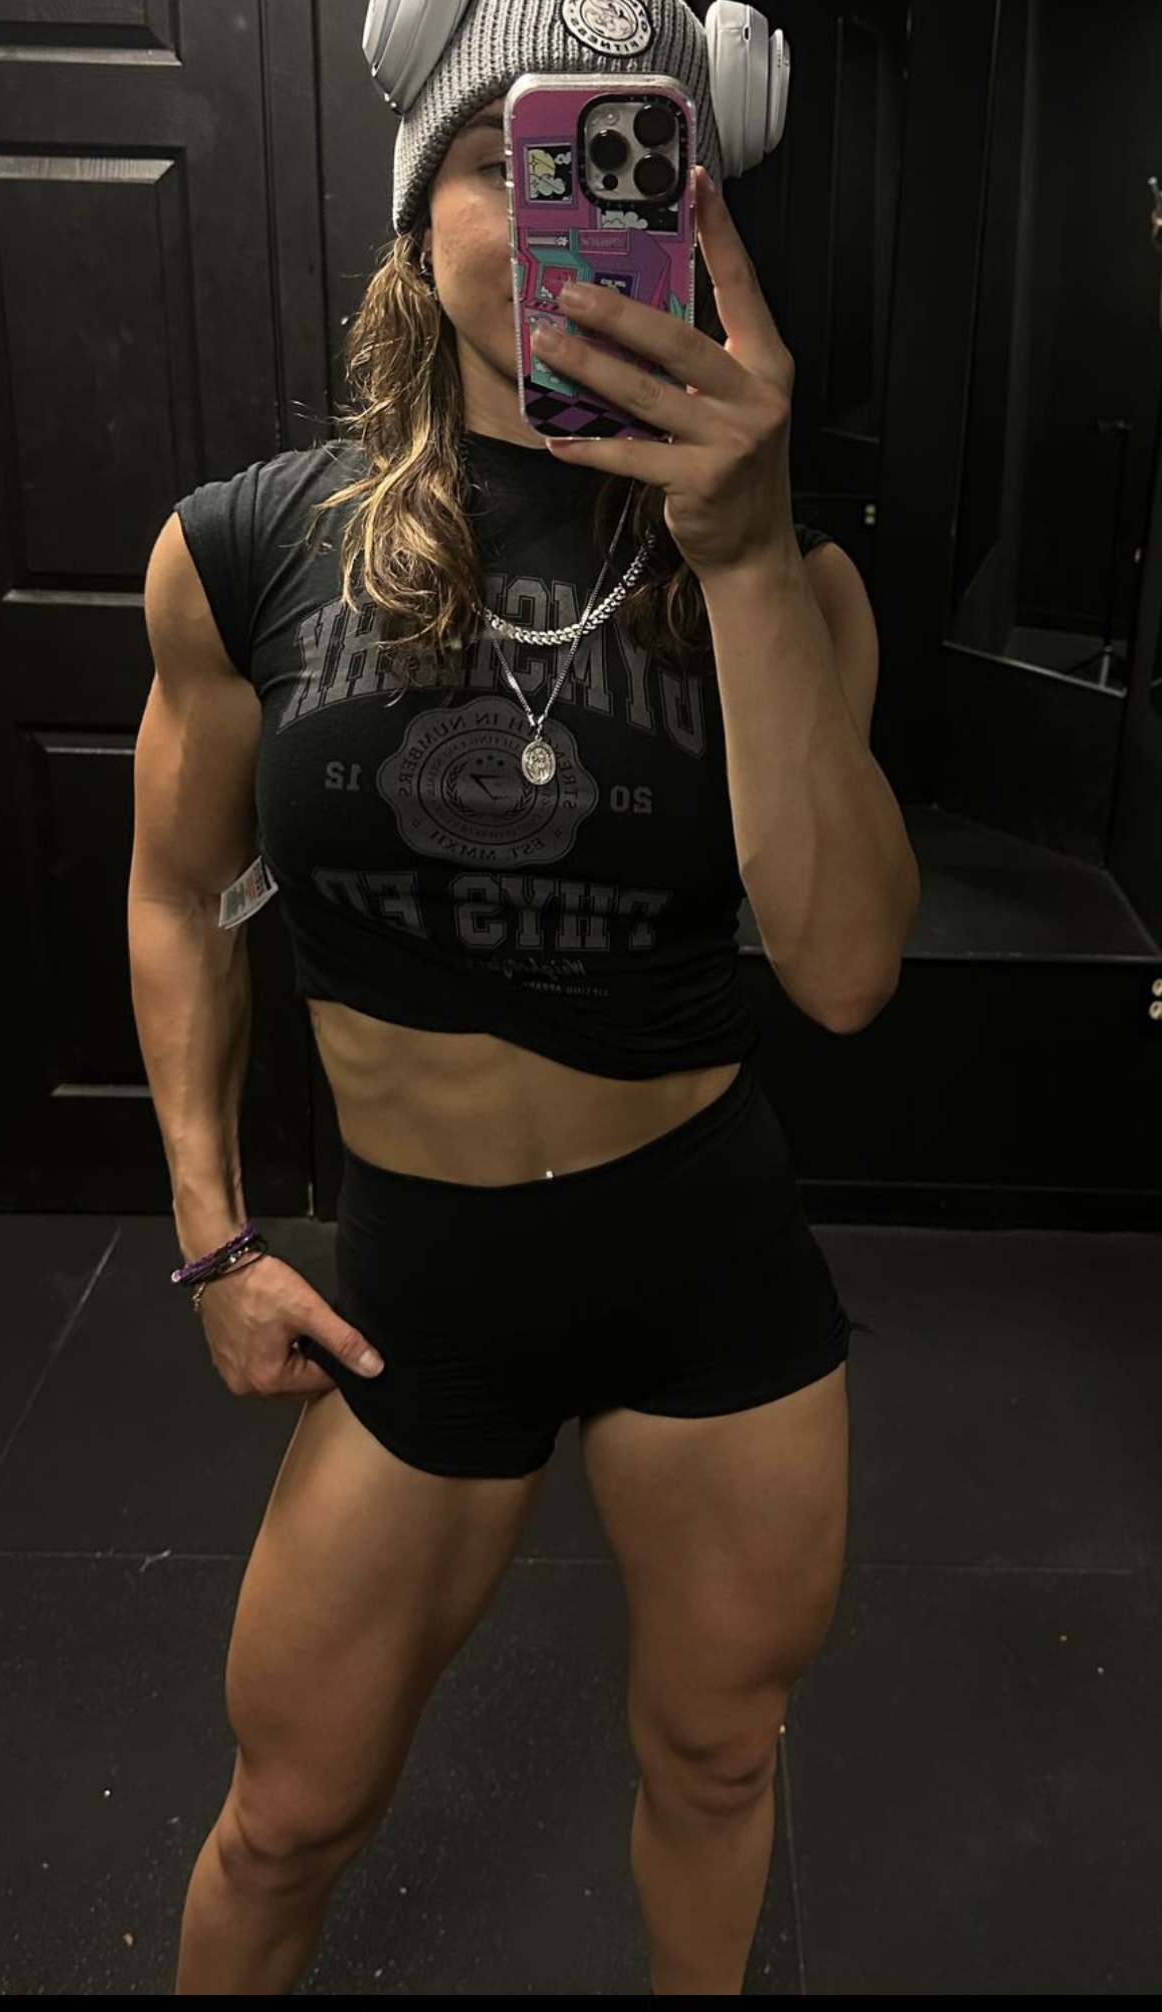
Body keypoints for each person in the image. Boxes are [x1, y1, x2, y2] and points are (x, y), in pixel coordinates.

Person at [129, 0, 919, 1995]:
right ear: (419, 220)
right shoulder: (249, 545)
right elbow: (171, 891)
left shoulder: (793, 574)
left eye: (627, 169)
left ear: (695, 221)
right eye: (504, 162)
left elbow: (841, 972)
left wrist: (746, 551)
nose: (558, 212)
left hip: (703, 1252)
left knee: (715, 1758)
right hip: (424, 1276)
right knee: (284, 1815)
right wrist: (213, 1232)